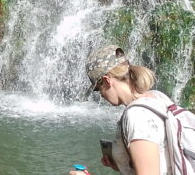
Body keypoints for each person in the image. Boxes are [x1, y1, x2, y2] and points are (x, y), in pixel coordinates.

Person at [69, 45, 171, 175]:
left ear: (107, 81)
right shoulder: (159, 98)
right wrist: (124, 164)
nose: (101, 94)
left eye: (98, 89)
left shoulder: (137, 116)